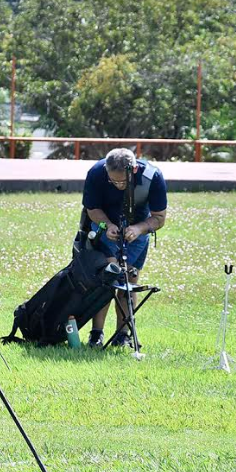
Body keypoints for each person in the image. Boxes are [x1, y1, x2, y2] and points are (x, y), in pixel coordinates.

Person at [82, 148, 167, 348]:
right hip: (104, 229)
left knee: (129, 281)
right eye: (113, 181)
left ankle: (122, 335)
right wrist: (108, 226)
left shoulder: (152, 176)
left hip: (137, 233)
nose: (118, 186)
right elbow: (92, 209)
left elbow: (159, 218)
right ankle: (96, 335)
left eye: (123, 182)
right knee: (107, 280)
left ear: (134, 170)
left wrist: (139, 229)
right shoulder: (96, 172)